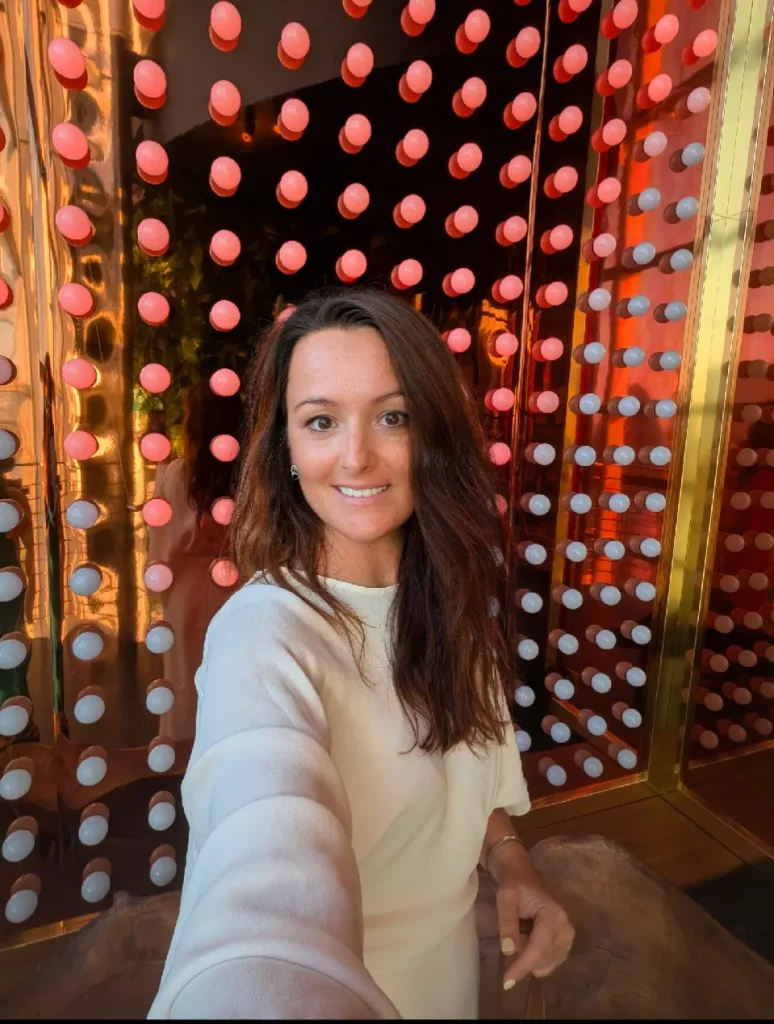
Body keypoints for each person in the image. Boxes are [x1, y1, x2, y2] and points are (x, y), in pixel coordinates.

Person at [148, 290, 574, 1020]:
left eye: (392, 417)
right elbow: (262, 858)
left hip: (449, 982)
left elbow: (471, 774)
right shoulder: (264, 633)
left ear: (434, 432)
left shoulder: (448, 598)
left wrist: (511, 862)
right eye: (321, 421)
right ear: (285, 449)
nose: (356, 456)